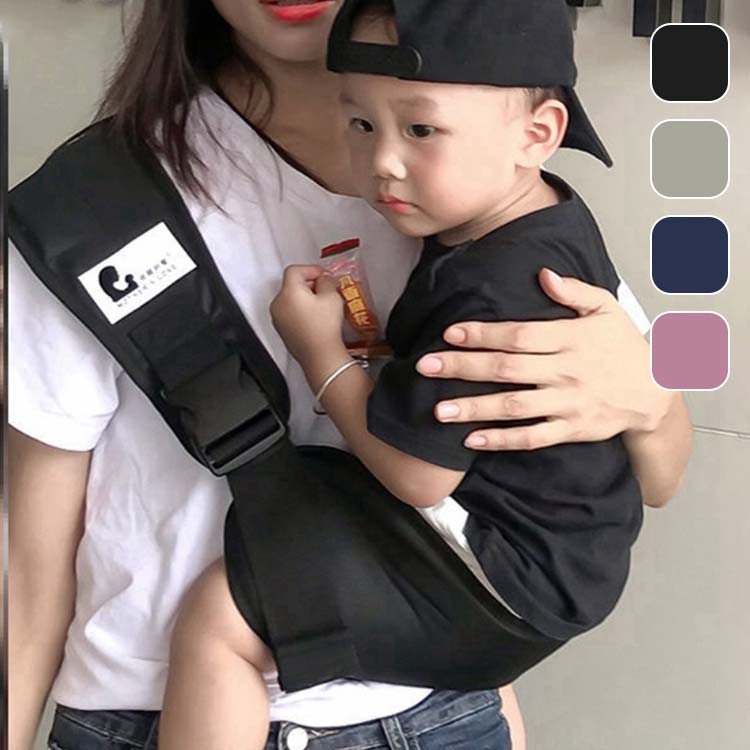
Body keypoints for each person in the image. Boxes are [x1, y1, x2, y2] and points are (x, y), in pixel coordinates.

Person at [8, 1, 692, 750]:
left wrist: (649, 401)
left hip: (439, 714)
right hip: (150, 713)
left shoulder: (493, 192)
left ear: (538, 133)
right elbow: (27, 577)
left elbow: (656, 472)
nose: (387, 160)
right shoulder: (93, 205)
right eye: (364, 125)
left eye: (417, 129)